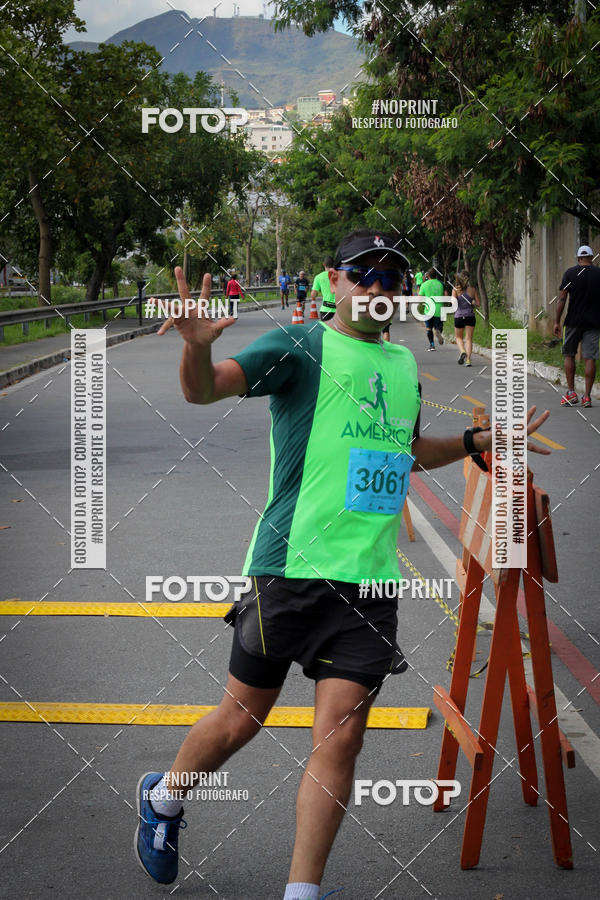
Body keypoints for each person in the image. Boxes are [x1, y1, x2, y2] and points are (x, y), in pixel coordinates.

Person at [137, 228, 551, 899]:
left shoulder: (403, 366)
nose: (378, 288)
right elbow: (204, 390)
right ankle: (164, 799)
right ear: (333, 280)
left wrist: (477, 440)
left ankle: (302, 893)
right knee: (241, 718)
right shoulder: (301, 347)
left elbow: (406, 452)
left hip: (371, 582)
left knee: (340, 739)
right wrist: (198, 346)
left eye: (392, 278)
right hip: (288, 570)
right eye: (364, 274)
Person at [554, 245, 600, 407]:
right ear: (591, 258)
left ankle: (571, 393)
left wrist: (557, 321)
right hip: (594, 322)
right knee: (590, 358)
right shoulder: (598, 274)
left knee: (569, 354)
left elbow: (562, 299)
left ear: (578, 258)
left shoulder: (570, 273)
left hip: (573, 321)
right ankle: (587, 397)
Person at [452, 270, 481, 366]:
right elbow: (478, 304)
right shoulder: (472, 290)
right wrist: (472, 302)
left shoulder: (455, 289)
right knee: (468, 339)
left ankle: (462, 351)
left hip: (459, 316)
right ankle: (468, 360)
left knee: (458, 337)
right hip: (470, 316)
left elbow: (453, 303)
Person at [419, 269, 445, 350]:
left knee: (428, 328)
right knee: (439, 326)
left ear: (428, 276)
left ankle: (432, 345)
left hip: (428, 309)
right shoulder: (441, 283)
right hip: (439, 309)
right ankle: (438, 330)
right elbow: (446, 295)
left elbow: (420, 298)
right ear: (436, 275)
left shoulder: (424, 284)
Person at [311, 256, 336, 320]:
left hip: (325, 310)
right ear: (333, 264)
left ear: (324, 264)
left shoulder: (318, 277)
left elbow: (313, 295)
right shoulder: (339, 275)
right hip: (339, 310)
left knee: (326, 326)